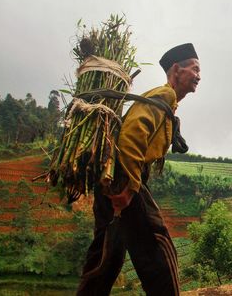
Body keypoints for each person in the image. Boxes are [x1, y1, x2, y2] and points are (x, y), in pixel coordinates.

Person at [77, 43, 201, 296]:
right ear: (176, 70)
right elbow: (131, 137)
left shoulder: (165, 101)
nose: (199, 76)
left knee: (106, 255)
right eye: (195, 69)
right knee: (158, 247)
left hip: (110, 178)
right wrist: (130, 188)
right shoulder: (163, 95)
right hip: (125, 176)